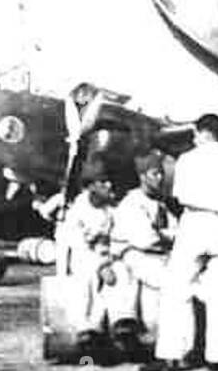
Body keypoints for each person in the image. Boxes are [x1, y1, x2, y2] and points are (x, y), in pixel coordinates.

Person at [142, 116, 218, 371]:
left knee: (175, 289)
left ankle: (172, 354)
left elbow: (180, 196)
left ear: (200, 132)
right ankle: (216, 357)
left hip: (195, 222)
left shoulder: (188, 159)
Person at [106, 149, 176, 354]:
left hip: (152, 257)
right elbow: (147, 239)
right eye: (155, 173)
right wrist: (165, 236)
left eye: (161, 173)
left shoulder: (160, 203)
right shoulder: (132, 203)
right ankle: (124, 323)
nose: (160, 178)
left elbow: (179, 232)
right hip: (133, 256)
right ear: (142, 176)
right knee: (171, 283)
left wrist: (163, 235)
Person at [62, 158, 118, 348]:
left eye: (109, 181)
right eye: (102, 182)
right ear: (90, 186)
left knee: (117, 278)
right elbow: (78, 246)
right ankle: (85, 329)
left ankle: (103, 326)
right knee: (86, 280)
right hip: (84, 258)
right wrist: (101, 266)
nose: (108, 185)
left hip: (108, 255)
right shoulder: (76, 212)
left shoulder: (111, 210)